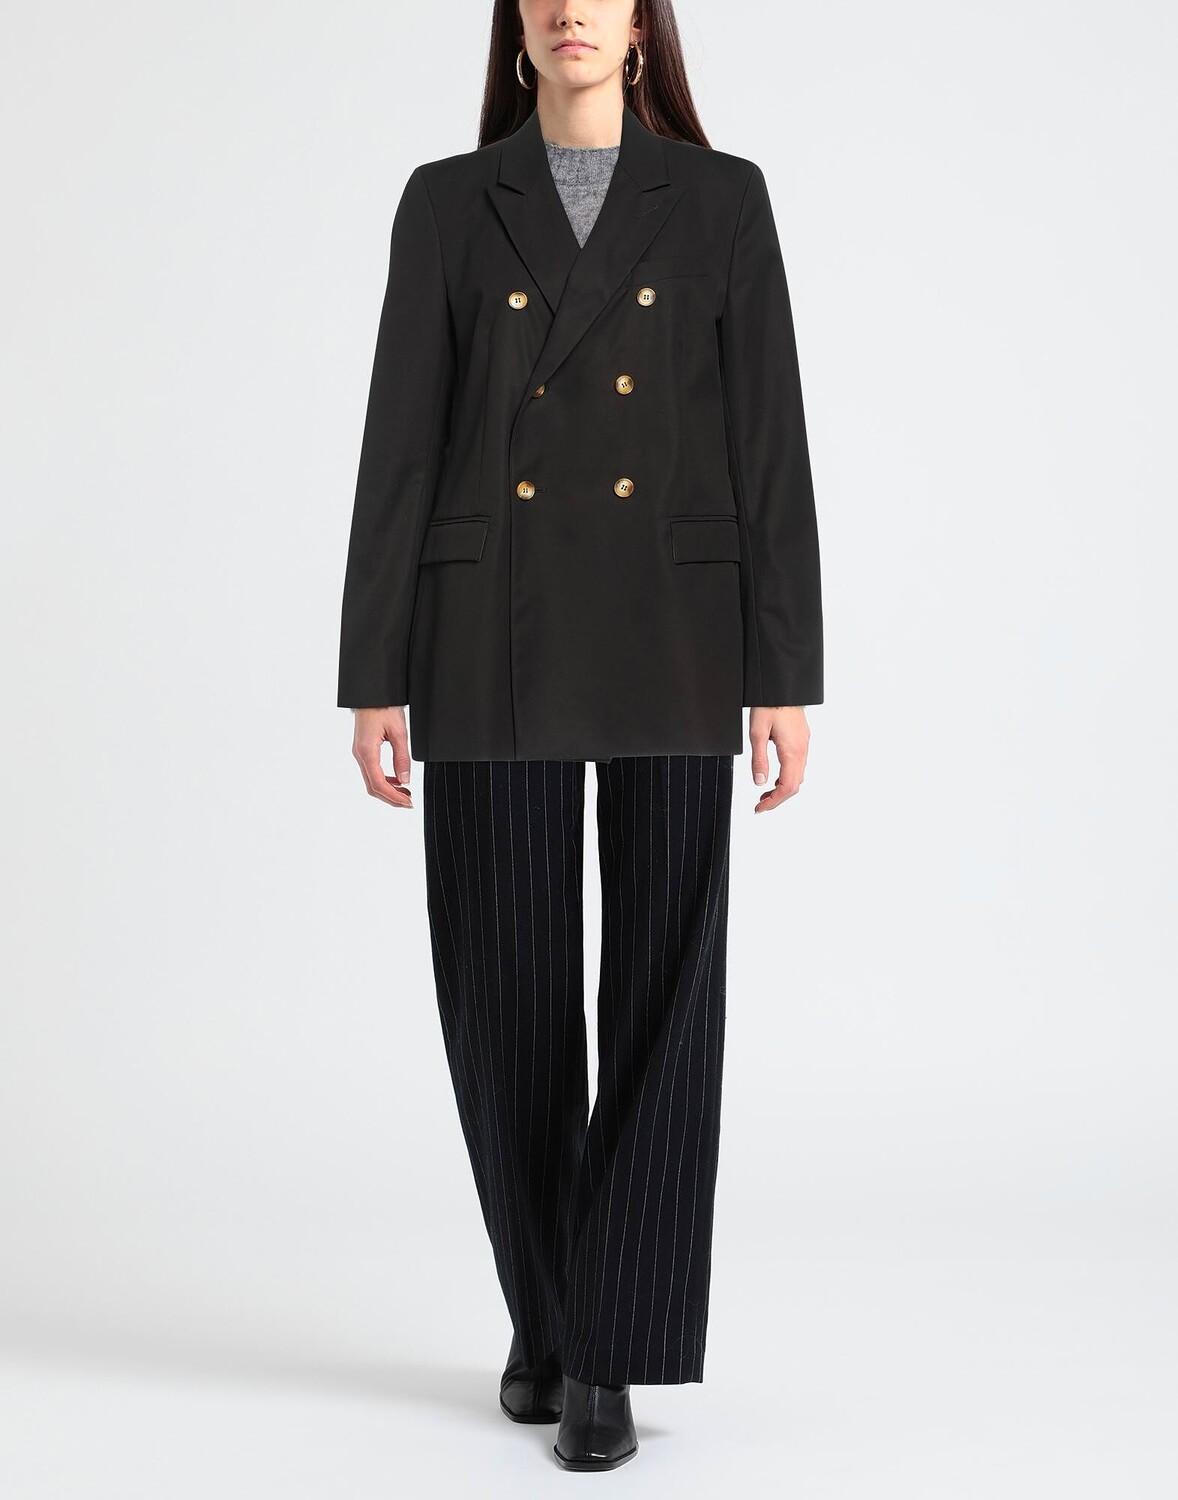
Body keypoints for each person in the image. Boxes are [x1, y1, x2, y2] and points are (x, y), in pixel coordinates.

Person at [336, 0, 822, 1473]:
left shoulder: (721, 198)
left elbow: (769, 441)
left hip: (677, 621)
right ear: (516, 26)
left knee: (667, 990)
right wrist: (373, 671)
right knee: (505, 997)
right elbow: (400, 441)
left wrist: (784, 672)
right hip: (486, 623)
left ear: (638, 24)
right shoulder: (446, 201)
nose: (570, 10)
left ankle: (605, 1347)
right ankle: (545, 1316)